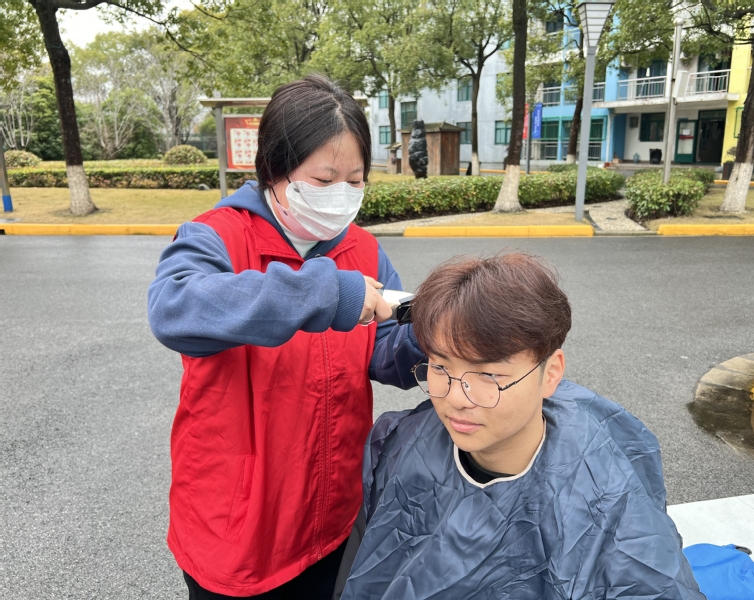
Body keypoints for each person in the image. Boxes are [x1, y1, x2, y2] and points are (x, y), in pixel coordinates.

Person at [147, 75, 423, 599]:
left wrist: (431, 338)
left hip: (329, 515)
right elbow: (173, 309)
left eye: (356, 180)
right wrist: (326, 293)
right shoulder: (217, 235)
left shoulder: (363, 249)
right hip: (236, 527)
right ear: (275, 170)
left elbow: (383, 348)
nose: (341, 195)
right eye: (324, 180)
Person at [335, 253, 705, 600]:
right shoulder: (397, 446)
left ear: (551, 373)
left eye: (489, 374)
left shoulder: (607, 495)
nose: (457, 398)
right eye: (440, 366)